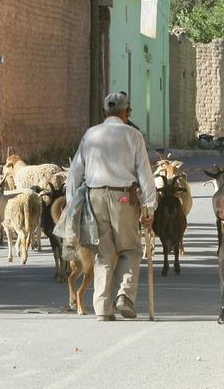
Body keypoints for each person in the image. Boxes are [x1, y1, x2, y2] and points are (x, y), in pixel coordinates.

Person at [66, 92, 157, 321]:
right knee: (130, 249)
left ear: (104, 112)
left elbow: (75, 172)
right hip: (123, 198)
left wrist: (71, 204)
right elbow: (145, 173)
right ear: (127, 113)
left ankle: (102, 308)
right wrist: (149, 206)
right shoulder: (133, 135)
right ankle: (124, 296)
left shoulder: (91, 134)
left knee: (103, 253)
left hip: (94, 197)